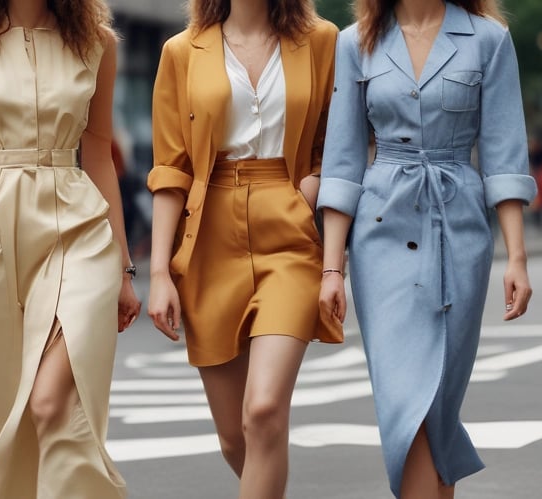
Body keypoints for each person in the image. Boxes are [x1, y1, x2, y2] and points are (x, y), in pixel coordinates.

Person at [0, 0, 141, 496]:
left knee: (51, 402)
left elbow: (100, 154)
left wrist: (125, 269)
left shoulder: (96, 42)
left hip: (80, 225)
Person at [317, 1, 536, 497]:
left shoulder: (488, 40)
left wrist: (517, 258)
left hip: (459, 231)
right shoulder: (356, 43)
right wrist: (333, 269)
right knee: (403, 402)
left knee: (437, 407)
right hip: (380, 234)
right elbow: (343, 159)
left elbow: (504, 155)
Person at [146, 1, 343, 497]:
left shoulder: (322, 40)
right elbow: (171, 170)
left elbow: (336, 141)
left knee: (264, 412)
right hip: (207, 232)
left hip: (288, 229)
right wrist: (158, 274)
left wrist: (309, 191)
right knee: (236, 436)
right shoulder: (181, 51)